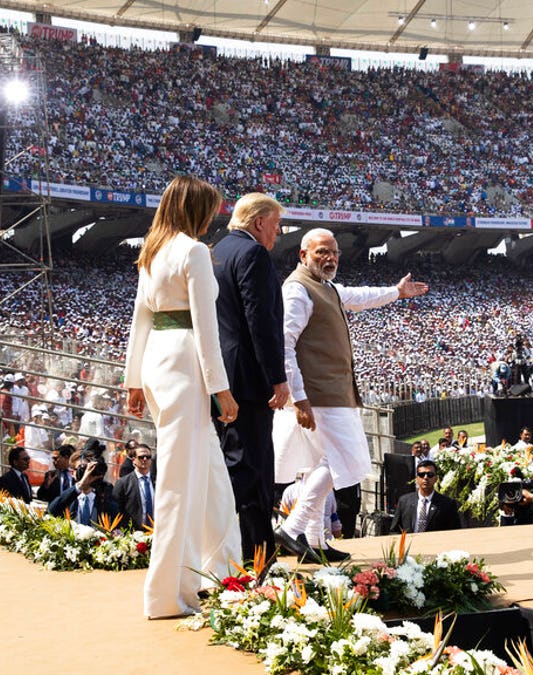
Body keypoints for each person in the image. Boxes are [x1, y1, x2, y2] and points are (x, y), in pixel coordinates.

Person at [272, 227, 429, 562]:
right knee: (350, 460)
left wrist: (396, 292)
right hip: (320, 395)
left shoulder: (326, 287)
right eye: (321, 252)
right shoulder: (297, 290)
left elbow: (358, 296)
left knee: (320, 464)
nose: (329, 259)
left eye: (334, 252)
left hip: (330, 393)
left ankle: (315, 541)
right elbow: (283, 346)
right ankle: (293, 528)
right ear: (303, 255)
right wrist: (298, 398)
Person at [124, 175, 242, 619]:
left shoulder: (151, 251)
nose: (214, 216)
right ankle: (168, 595)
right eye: (210, 209)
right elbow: (206, 327)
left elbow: (141, 319)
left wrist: (133, 379)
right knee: (179, 483)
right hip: (187, 366)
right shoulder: (192, 250)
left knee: (211, 476)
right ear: (196, 209)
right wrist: (221, 389)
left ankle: (225, 570)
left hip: (158, 361)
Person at [211, 192, 291, 563]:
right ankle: (255, 554)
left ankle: (245, 549)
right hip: (248, 379)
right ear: (259, 222)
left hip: (222, 375)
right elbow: (262, 322)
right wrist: (277, 378)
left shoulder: (218, 251)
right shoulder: (253, 254)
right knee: (252, 468)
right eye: (276, 225)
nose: (278, 233)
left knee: (236, 461)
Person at [47, 452, 121, 528]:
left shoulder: (105, 498)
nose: (87, 474)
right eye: (82, 469)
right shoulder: (67, 498)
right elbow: (50, 511)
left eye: (89, 469)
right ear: (72, 473)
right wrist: (79, 486)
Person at [389, 460, 461, 533]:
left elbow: (455, 532)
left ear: (436, 478)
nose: (426, 478)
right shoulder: (404, 501)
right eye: (421, 474)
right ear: (417, 478)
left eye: (430, 474)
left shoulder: (448, 504)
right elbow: (394, 530)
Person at [113, 444, 157, 528]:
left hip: (155, 533)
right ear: (133, 460)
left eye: (148, 457)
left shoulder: (157, 482)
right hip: (133, 535)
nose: (145, 459)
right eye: (141, 457)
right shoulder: (123, 483)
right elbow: (116, 510)